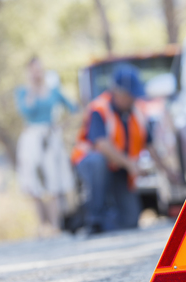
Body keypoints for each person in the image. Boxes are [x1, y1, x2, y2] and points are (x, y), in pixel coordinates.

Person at [72, 64, 175, 235]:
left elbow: (149, 144)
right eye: (130, 95)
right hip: (92, 165)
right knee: (98, 162)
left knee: (130, 220)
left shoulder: (138, 111)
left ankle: (110, 224)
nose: (134, 98)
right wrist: (130, 164)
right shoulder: (99, 108)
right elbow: (101, 144)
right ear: (117, 92)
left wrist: (167, 171)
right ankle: (94, 219)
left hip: (119, 170)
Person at [15, 57, 77, 236]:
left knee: (53, 179)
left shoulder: (53, 90)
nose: (37, 73)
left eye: (39, 69)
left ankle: (56, 224)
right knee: (34, 181)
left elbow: (72, 108)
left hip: (51, 136)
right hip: (32, 138)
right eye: (33, 70)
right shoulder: (23, 92)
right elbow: (26, 111)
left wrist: (63, 126)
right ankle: (43, 224)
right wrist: (32, 90)